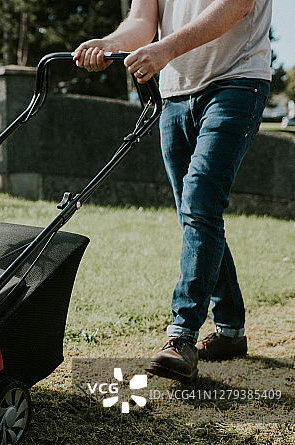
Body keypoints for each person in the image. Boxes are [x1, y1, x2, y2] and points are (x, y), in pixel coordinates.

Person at [74, 0, 271, 382]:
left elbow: (238, 5)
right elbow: (141, 20)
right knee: (196, 214)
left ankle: (182, 335)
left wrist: (166, 49)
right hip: (175, 93)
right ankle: (231, 331)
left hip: (237, 80)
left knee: (199, 204)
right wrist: (110, 44)